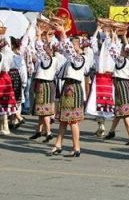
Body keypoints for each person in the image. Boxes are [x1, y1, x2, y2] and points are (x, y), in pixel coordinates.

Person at [47, 26, 87, 157]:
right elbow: (61, 49)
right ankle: (58, 144)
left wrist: (63, 32)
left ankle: (77, 147)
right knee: (63, 120)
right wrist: (49, 38)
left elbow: (68, 50)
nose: (72, 45)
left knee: (73, 120)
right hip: (67, 87)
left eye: (75, 43)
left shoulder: (80, 58)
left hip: (73, 89)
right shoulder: (71, 58)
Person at [103, 30, 129, 145]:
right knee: (119, 110)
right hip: (125, 84)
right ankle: (112, 131)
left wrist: (113, 37)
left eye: (122, 49)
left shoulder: (121, 60)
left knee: (124, 111)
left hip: (121, 84)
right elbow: (124, 49)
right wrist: (124, 36)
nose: (121, 50)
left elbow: (112, 50)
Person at [29, 28, 58, 142]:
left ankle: (49, 132)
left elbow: (39, 48)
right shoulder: (53, 59)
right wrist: (44, 37)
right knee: (41, 109)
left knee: (44, 109)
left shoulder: (48, 59)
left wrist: (39, 36)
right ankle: (39, 131)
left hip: (44, 84)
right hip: (47, 83)